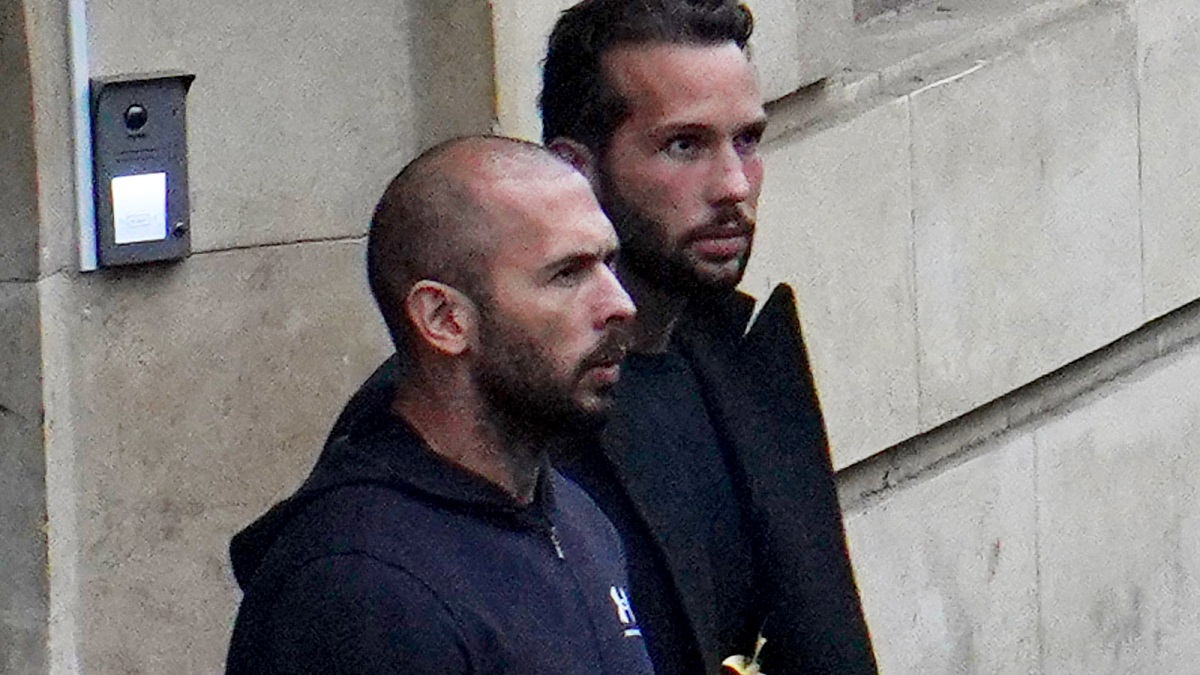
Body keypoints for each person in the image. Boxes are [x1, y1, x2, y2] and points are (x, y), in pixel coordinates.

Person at [331, 1, 879, 672]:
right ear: (575, 166)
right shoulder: (480, 392)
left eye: (747, 140)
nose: (733, 184)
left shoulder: (740, 354)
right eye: (685, 144)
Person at [225, 136, 654, 674]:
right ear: (444, 319)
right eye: (568, 274)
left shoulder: (577, 521)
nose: (619, 304)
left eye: (609, 263)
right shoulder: (362, 590)